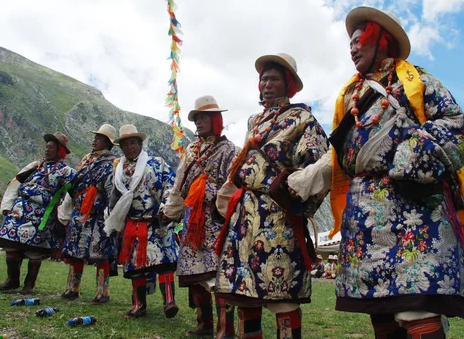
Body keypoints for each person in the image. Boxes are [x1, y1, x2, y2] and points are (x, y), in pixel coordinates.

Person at [286, 6, 464, 338]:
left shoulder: (418, 82)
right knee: (380, 309)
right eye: (350, 43)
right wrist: (307, 181)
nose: (352, 48)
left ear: (381, 40)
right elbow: (342, 156)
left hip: (414, 210)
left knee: (418, 306)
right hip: (364, 216)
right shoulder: (351, 97)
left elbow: (460, 129)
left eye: (360, 40)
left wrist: (410, 155)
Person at [214, 53, 329, 339]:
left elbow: (316, 163)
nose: (266, 84)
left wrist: (295, 190)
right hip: (245, 214)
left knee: (281, 293)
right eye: (263, 79)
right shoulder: (254, 121)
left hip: (278, 214)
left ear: (288, 83)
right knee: (245, 291)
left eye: (274, 78)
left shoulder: (303, 118)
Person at [162, 95, 238, 339]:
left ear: (216, 119)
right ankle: (204, 324)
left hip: (215, 220)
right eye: (196, 118)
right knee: (196, 277)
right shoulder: (191, 152)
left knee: (218, 277)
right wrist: (170, 211)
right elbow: (179, 185)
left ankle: (225, 329)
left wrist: (209, 192)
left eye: (204, 117)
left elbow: (235, 186)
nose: (199, 122)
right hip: (191, 220)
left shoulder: (230, 151)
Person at [104, 124, 178, 318]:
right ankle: (139, 305)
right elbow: (114, 196)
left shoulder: (157, 163)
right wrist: (112, 215)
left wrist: (166, 208)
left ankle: (169, 302)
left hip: (156, 221)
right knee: (135, 267)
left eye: (133, 143)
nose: (130, 147)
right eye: (126, 144)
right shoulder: (118, 170)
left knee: (163, 262)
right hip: (132, 224)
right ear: (122, 148)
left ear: (140, 143)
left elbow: (171, 184)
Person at [0, 132, 75, 294]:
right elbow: (16, 181)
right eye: (46, 147)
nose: (47, 150)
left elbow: (72, 193)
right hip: (19, 209)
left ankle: (29, 284)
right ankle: (12, 280)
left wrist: (63, 214)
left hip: (42, 213)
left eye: (51, 147)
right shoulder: (35, 165)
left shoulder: (66, 171)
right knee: (10, 245)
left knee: (35, 250)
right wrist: (7, 205)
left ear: (60, 150)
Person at [59, 124, 118, 304]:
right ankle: (72, 288)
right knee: (75, 251)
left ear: (107, 142)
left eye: (99, 138)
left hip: (98, 214)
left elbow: (110, 189)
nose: (94, 140)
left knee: (100, 253)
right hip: (79, 212)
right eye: (95, 137)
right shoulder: (86, 159)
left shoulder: (112, 163)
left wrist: (109, 212)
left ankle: (103, 292)